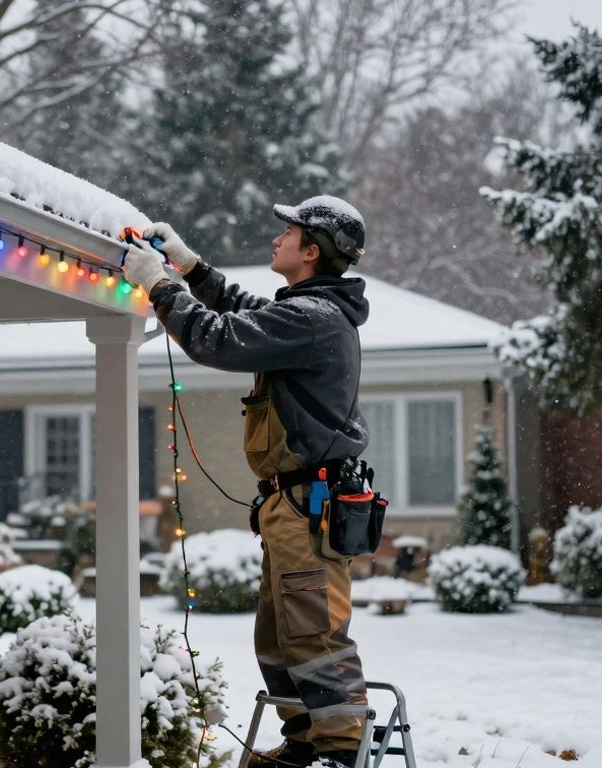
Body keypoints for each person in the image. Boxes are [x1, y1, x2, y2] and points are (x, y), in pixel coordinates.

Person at [122, 196, 371, 768]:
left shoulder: (312, 319)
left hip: (311, 502)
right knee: (278, 635)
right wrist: (191, 269)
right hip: (296, 501)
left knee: (313, 632)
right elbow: (244, 312)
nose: (276, 240)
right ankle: (306, 740)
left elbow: (220, 338)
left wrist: (160, 287)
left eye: (288, 233)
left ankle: (339, 751)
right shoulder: (311, 312)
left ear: (312, 251)